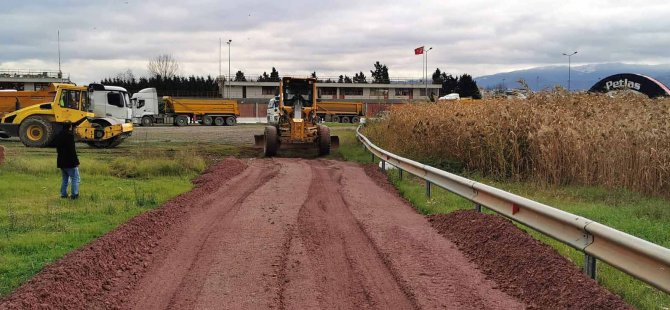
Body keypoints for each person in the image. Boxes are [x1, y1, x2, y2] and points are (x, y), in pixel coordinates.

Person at [55, 123, 80, 199]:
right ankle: (74, 195)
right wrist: (76, 161)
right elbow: (72, 150)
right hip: (70, 162)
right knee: (75, 178)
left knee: (65, 179)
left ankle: (63, 194)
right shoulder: (70, 136)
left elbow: (57, 149)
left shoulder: (58, 135)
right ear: (70, 127)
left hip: (61, 161)